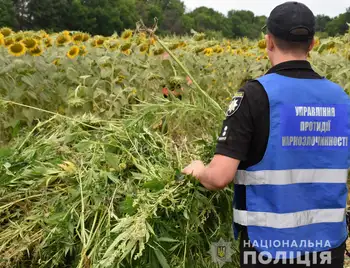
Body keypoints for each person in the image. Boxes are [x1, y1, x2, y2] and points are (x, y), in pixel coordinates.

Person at [182, 2, 350, 267]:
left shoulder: (254, 96)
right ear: (312, 44)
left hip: (269, 248)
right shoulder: (342, 99)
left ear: (268, 41)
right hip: (328, 246)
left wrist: (198, 170)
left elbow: (218, 177)